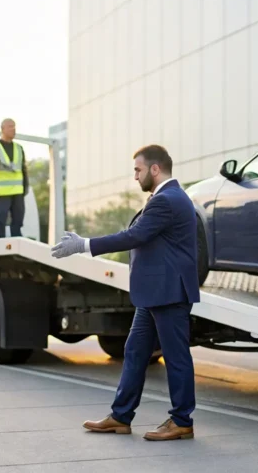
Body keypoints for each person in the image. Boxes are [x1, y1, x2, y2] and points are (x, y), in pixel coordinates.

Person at [51, 144, 199, 441]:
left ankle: (182, 421)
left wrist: (84, 245)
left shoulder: (168, 200)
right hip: (155, 294)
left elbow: (134, 236)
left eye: (138, 170)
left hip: (168, 293)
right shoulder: (165, 198)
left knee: (176, 357)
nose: (135, 176)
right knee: (134, 352)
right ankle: (120, 416)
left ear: (155, 169)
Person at [0, 118, 28, 238]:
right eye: (10, 126)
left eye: (14, 126)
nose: (13, 129)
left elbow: (23, 169)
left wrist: (25, 188)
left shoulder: (19, 148)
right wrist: (11, 168)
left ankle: (17, 240)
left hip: (17, 191)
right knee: (1, 218)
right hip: (1, 191)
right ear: (2, 129)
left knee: (18, 219)